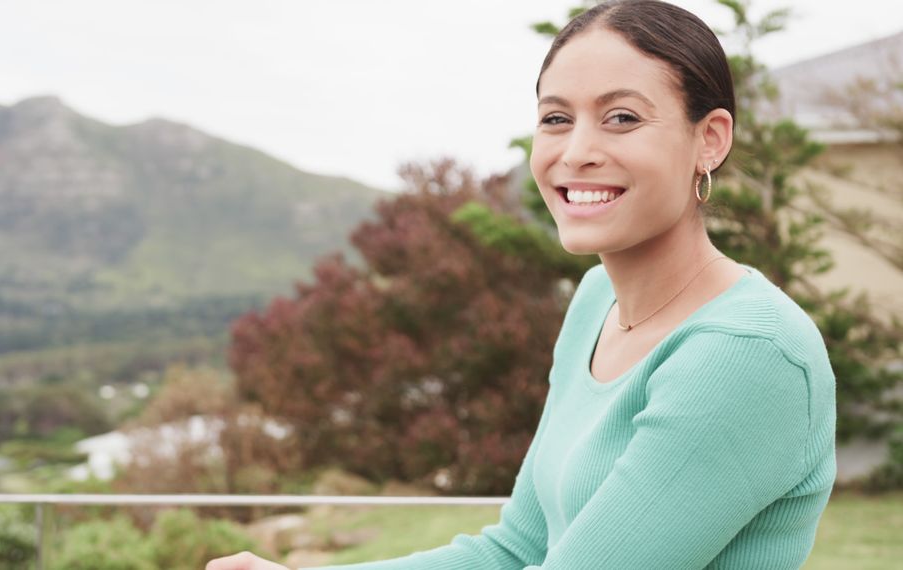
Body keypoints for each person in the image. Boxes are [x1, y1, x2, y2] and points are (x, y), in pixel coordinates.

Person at [207, 1, 837, 568]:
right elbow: (517, 548)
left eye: (621, 117)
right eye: (556, 118)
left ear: (710, 139)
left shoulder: (748, 353)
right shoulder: (596, 302)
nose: (577, 150)